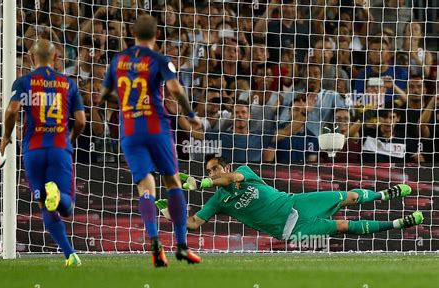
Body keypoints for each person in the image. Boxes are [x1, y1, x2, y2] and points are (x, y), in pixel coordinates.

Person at [99, 15, 202, 267]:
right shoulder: (160, 60)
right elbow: (175, 90)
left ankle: (155, 244)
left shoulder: (118, 59)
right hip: (156, 127)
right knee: (172, 181)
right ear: (156, 35)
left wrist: (125, 101)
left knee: (145, 187)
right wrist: (191, 115)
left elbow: (102, 95)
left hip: (130, 131)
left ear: (132, 33)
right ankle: (181, 245)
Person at [156, 155, 424, 242]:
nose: (214, 173)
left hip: (295, 202)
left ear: (225, 167)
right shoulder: (217, 201)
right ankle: (398, 224)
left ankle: (383, 194)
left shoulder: (243, 172)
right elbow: (193, 223)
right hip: (290, 229)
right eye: (208, 171)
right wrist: (169, 214)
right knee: (342, 227)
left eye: (215, 168)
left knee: (348, 197)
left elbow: (230, 180)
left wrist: (200, 182)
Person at [0, 39, 86, 267]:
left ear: (30, 58)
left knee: (43, 204)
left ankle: (70, 255)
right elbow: (80, 121)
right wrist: (70, 139)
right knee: (66, 207)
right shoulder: (68, 84)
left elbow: (12, 110)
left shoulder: (23, 82)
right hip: (59, 147)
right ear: (57, 58)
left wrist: (7, 135)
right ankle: (57, 195)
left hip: (33, 150)